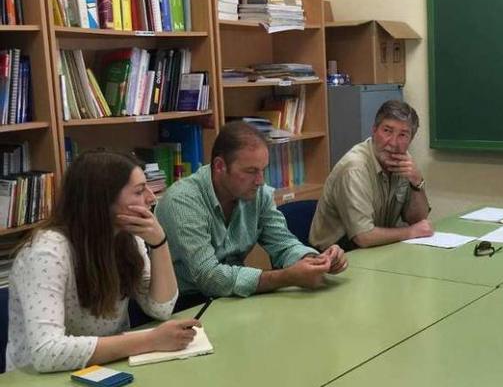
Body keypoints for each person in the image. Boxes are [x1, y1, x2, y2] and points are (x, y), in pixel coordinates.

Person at [7, 151, 197, 373]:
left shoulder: (127, 236)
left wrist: (159, 243)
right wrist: (151, 340)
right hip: (39, 378)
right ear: (103, 201)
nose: (151, 198)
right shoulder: (46, 252)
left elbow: (161, 308)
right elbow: (47, 352)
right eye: (139, 191)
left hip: (107, 366)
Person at [155, 122, 347, 299]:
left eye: (263, 170)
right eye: (251, 171)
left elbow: (283, 243)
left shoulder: (258, 194)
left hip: (234, 298)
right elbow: (208, 276)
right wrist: (286, 277)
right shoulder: (183, 201)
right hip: (187, 304)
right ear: (220, 166)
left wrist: (315, 260)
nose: (260, 181)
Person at [309, 100, 432, 250]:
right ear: (374, 130)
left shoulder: (403, 161)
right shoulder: (355, 168)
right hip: (336, 255)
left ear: (411, 140)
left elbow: (418, 220)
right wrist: (410, 232)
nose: (393, 143)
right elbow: (363, 237)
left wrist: (417, 182)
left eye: (403, 135)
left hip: (375, 249)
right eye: (387, 131)